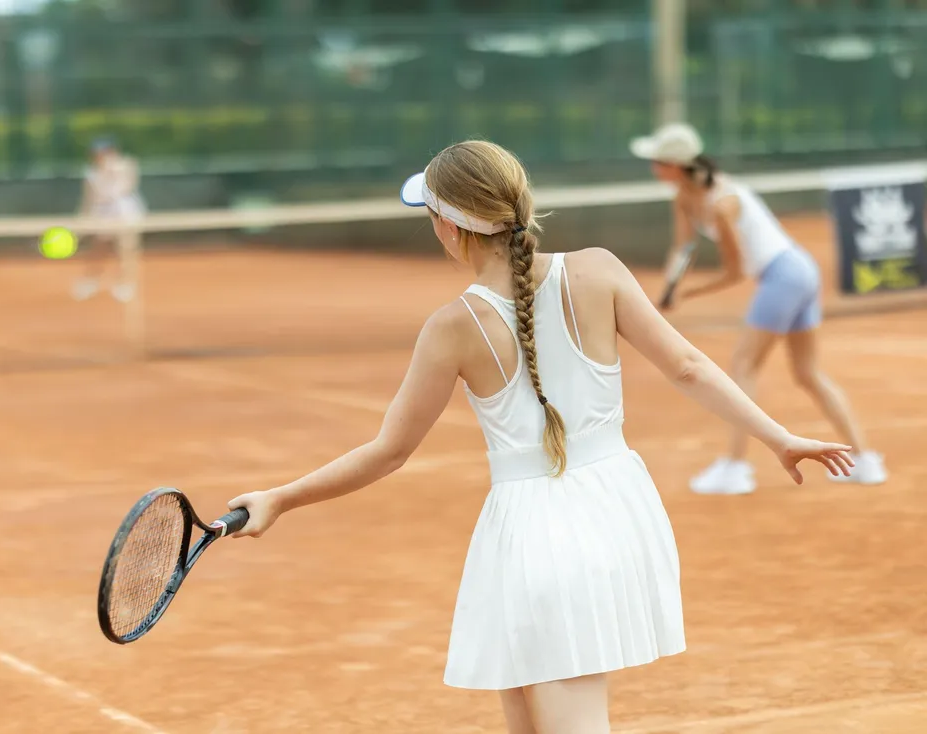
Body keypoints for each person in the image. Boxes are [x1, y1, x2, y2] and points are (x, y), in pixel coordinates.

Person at [224, 140, 853, 734]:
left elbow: (389, 450)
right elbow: (688, 366)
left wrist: (281, 498)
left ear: (449, 227)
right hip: (617, 511)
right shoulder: (599, 269)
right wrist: (778, 438)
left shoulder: (451, 328)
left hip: (536, 536)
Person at [629, 123, 887, 492]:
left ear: (674, 164)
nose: (653, 167)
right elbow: (683, 247)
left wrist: (688, 294)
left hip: (785, 274)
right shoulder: (684, 198)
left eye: (657, 160)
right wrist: (671, 284)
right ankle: (864, 460)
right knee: (807, 372)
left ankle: (735, 468)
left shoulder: (722, 203)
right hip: (800, 269)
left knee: (743, 366)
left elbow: (735, 272)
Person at [71, 137, 146, 303]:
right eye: (96, 153)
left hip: (125, 210)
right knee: (98, 248)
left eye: (103, 152)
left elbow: (129, 181)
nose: (99, 156)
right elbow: (88, 199)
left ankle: (126, 283)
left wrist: (111, 168)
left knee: (127, 248)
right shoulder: (90, 173)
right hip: (102, 212)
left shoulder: (126, 164)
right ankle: (90, 280)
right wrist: (82, 220)